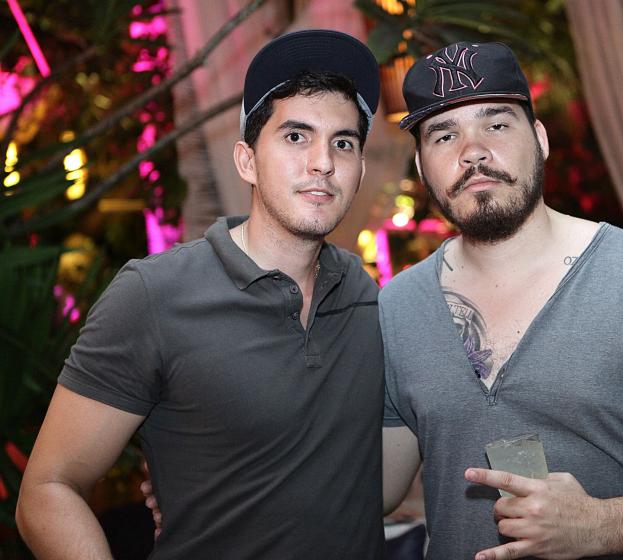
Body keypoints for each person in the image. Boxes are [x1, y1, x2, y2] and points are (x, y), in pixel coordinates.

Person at [379, 41, 623, 560]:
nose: (472, 150)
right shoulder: (398, 307)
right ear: (420, 164)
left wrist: (600, 526)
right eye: (444, 134)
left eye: (496, 124)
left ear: (540, 139)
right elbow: (378, 488)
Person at [16, 30, 386, 559]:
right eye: (295, 136)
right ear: (246, 160)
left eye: (343, 143)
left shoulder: (366, 297)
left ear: (360, 171)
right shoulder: (155, 295)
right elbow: (48, 490)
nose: (322, 162)